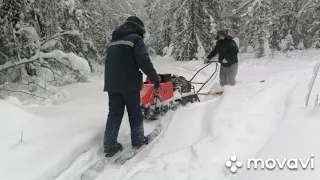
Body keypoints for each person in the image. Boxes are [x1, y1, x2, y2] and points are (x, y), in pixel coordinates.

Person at [103, 16, 160, 157]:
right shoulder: (135, 39)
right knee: (134, 113)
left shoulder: (113, 41)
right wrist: (154, 78)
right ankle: (138, 141)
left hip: (112, 84)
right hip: (129, 84)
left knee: (114, 114)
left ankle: (109, 146)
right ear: (139, 28)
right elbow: (143, 60)